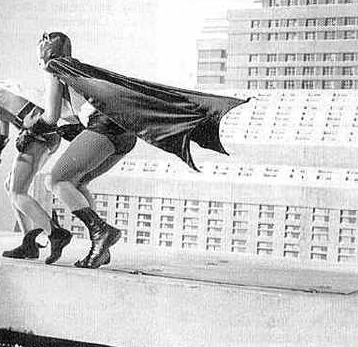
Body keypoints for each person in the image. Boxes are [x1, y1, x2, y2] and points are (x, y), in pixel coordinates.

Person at [33, 32, 248, 269]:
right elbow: (84, 109)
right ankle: (100, 246)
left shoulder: (54, 69)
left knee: (56, 180)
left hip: (105, 127)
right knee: (77, 182)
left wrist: (30, 127)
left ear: (45, 54)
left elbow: (50, 116)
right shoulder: (77, 69)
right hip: (124, 133)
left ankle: (101, 233)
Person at [0, 63, 76, 264]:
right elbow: (2, 136)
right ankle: (29, 241)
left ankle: (56, 234)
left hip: (38, 135)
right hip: (47, 134)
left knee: (17, 192)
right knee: (10, 186)